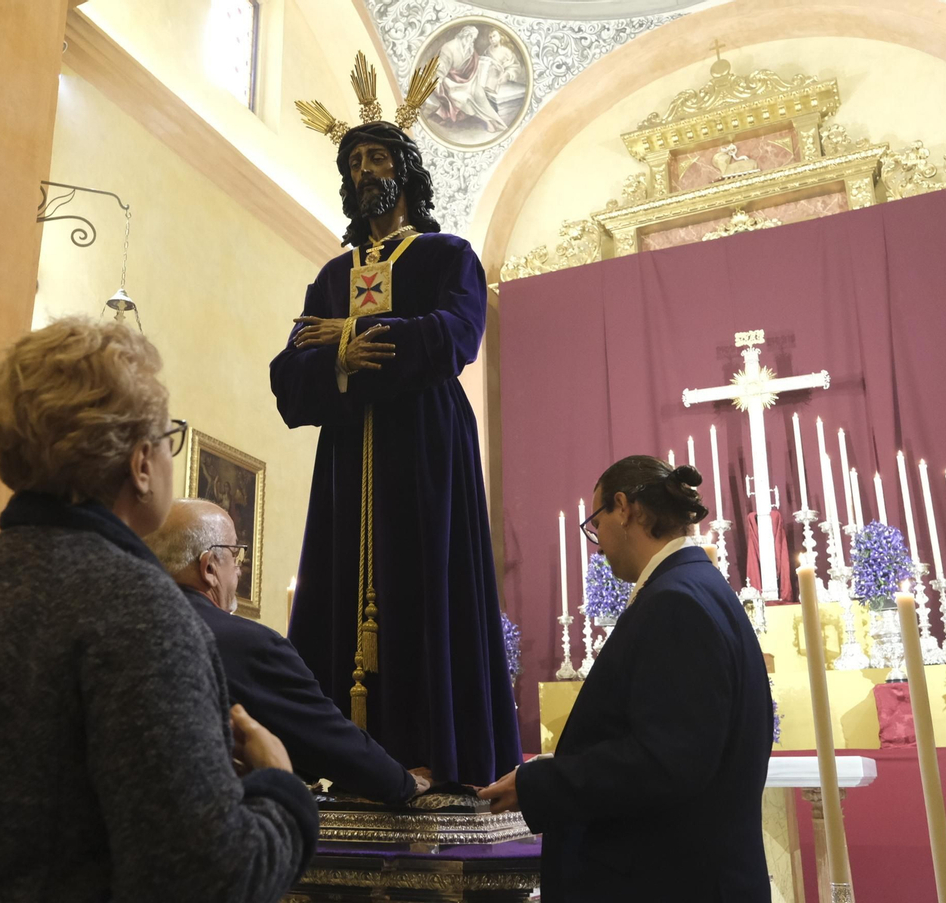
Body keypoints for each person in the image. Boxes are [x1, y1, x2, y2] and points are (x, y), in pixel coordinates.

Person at [0, 317, 317, 903]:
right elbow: (209, 881)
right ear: (141, 463)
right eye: (166, 439)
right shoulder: (142, 614)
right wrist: (281, 789)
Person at [269, 118, 521, 787]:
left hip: (428, 452)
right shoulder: (330, 276)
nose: (363, 173)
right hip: (348, 461)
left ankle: (433, 757)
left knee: (425, 590)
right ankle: (340, 759)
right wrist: (341, 360)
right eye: (353, 164)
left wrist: (353, 335)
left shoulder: (448, 258)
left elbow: (455, 336)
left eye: (376, 159)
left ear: (404, 172)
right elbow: (289, 379)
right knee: (339, 587)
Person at [479, 456, 772, 902]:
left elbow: (665, 763)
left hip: (670, 881)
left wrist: (538, 785)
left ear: (624, 508)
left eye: (596, 524)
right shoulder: (700, 587)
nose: (598, 544)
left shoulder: (676, 603)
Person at [148, 499, 427, 806]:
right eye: (235, 554)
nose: (238, 569)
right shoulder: (245, 643)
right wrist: (402, 782)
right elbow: (325, 739)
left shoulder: (126, 629)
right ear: (210, 568)